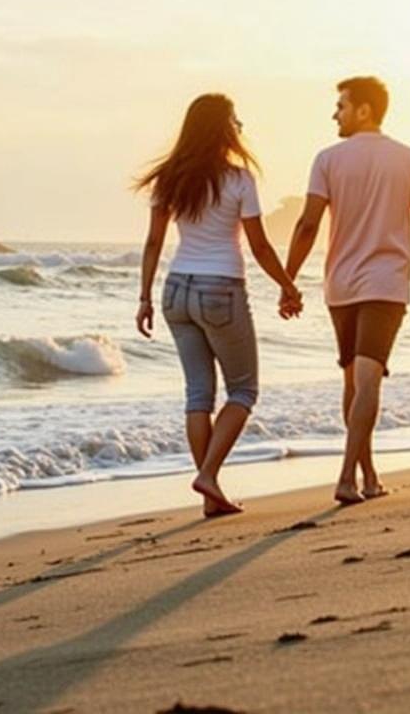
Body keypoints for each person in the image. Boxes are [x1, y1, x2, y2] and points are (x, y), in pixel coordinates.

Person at [135, 93, 303, 517]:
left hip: (176, 290)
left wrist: (144, 298)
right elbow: (260, 246)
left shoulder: (168, 179)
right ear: (222, 128)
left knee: (198, 396)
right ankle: (209, 477)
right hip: (220, 289)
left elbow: (154, 242)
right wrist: (288, 286)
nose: (240, 126)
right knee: (244, 390)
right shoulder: (239, 178)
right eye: (235, 120)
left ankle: (210, 498)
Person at [284, 76, 410, 505]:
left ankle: (367, 475)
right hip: (386, 283)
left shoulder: (328, 160)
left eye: (341, 105)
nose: (334, 114)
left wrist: (288, 280)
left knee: (356, 383)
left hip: (341, 284)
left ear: (364, 110)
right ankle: (348, 478)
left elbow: (307, 225)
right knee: (365, 382)